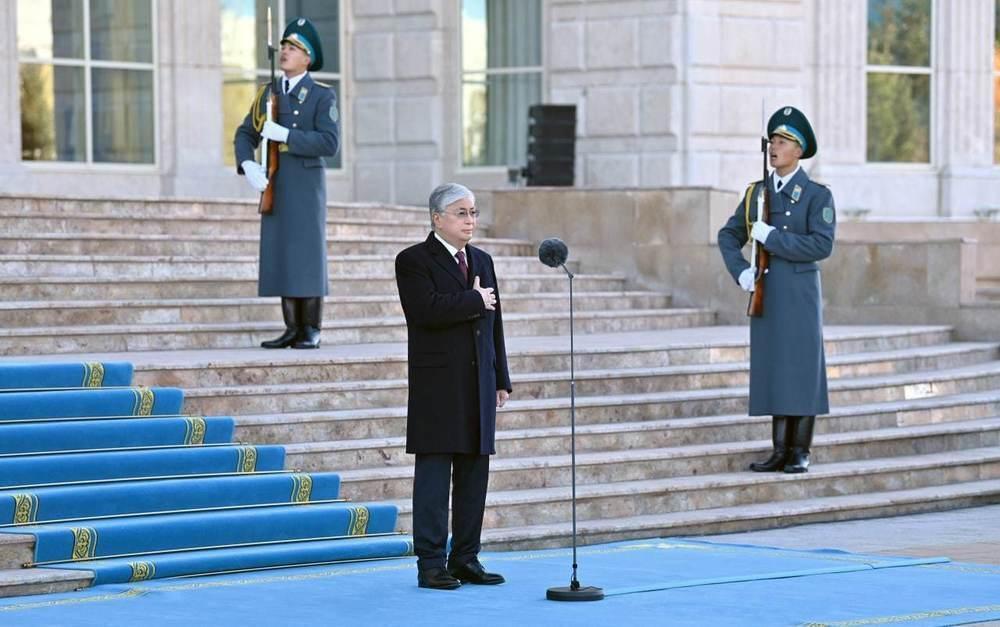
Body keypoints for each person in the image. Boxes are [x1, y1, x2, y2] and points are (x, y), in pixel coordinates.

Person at [394, 183, 513, 590]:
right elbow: (424, 311)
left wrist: (501, 378)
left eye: (474, 212)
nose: (470, 221)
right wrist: (473, 301)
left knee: (474, 474)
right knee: (433, 476)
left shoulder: (482, 259)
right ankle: (431, 563)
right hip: (438, 385)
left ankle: (466, 558)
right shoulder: (413, 260)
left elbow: (495, 323)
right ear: (437, 218)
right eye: (461, 213)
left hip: (479, 380)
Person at [717, 106, 836, 474]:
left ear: (799, 150)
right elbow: (728, 235)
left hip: (799, 294)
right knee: (774, 369)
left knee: (801, 368)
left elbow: (821, 245)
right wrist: (741, 272)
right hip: (766, 291)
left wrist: (775, 239)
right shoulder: (757, 194)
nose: (774, 147)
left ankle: (800, 450)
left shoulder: (816, 195)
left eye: (783, 141)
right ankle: (779, 449)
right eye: (772, 140)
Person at [234, 17, 340, 349]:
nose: (284, 52)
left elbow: (329, 143)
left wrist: (288, 136)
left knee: (306, 255)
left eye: (292, 48)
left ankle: (311, 328)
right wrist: (247, 162)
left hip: (306, 186)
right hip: (277, 183)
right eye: (283, 46)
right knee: (281, 252)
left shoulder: (322, 96)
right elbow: (244, 133)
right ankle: (292, 327)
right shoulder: (269, 93)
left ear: (307, 57)